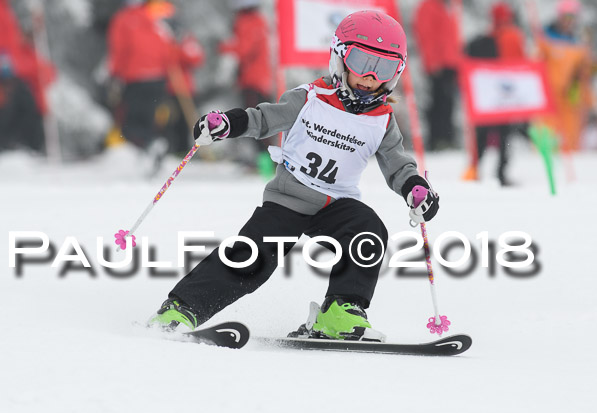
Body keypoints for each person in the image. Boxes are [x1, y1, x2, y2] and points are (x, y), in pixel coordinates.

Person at [147, 11, 439, 342]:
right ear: (340, 58)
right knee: (252, 258)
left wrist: (416, 188)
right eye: (361, 61)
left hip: (336, 205)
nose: (370, 76)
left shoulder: (382, 120)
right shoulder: (311, 98)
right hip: (289, 199)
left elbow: (397, 162)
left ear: (395, 74)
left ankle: (340, 312)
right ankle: (181, 308)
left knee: (368, 231)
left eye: (383, 68)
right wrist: (229, 122)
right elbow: (264, 118)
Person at [107, 0, 177, 171]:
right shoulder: (155, 15)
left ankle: (150, 147)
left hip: (135, 78)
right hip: (158, 78)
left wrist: (116, 74)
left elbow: (119, 49)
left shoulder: (123, 19)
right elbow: (167, 47)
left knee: (130, 124)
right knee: (149, 118)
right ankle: (151, 152)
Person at [464, 2, 527, 186]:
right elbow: (520, 62)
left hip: (488, 96)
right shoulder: (514, 36)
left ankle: (475, 169)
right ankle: (500, 173)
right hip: (505, 96)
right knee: (504, 136)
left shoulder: (486, 38)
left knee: (482, 135)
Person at [219, 0, 275, 174]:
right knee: (258, 121)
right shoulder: (257, 20)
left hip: (254, 80)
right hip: (257, 79)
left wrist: (226, 47)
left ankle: (266, 165)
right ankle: (263, 162)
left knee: (254, 122)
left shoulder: (250, 21)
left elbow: (244, 48)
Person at [538, 0, 593, 153]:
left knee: (570, 135)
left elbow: (584, 73)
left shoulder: (578, 43)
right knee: (547, 132)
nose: (569, 22)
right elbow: (536, 62)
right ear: (559, 16)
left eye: (573, 18)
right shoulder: (546, 39)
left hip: (570, 97)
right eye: (566, 17)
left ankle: (570, 155)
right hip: (549, 95)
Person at [413, 0, 462, 151]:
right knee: (438, 103)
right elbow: (426, 36)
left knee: (448, 103)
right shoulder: (428, 7)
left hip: (451, 63)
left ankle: (446, 138)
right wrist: (432, 62)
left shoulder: (448, 6)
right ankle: (437, 140)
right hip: (438, 64)